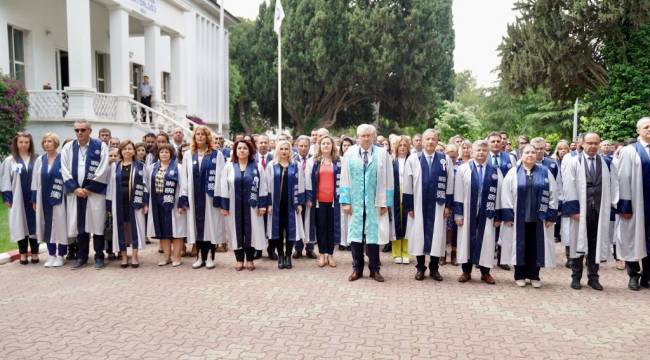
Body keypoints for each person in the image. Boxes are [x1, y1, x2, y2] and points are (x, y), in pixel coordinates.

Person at [562, 132, 616, 291]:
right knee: (577, 243)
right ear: (582, 144)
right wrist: (573, 210)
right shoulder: (574, 162)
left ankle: (593, 277)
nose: (593, 146)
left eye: (596, 143)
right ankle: (576, 277)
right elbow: (568, 186)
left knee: (595, 244)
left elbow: (614, 185)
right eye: (590, 143)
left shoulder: (606, 163)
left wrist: (611, 206)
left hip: (599, 211)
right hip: (580, 211)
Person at [500, 144, 558, 288]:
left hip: (538, 218)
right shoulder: (513, 172)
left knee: (536, 246)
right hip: (518, 219)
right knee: (520, 246)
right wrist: (508, 215)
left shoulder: (545, 172)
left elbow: (553, 194)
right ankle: (519, 274)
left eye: (533, 152)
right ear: (521, 154)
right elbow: (506, 194)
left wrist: (551, 215)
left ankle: (534, 275)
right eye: (527, 152)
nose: (530, 155)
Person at [341, 124, 393, 282]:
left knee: (373, 237)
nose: (365, 138)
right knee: (356, 237)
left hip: (375, 202)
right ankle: (357, 269)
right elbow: (344, 178)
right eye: (362, 135)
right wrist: (345, 201)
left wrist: (386, 202)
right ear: (357, 137)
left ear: (373, 137)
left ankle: (375, 269)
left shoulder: (382, 154)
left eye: (368, 135)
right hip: (356, 202)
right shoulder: (350, 153)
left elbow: (389, 179)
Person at [403, 129, 453, 281]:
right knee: (419, 235)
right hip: (418, 204)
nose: (430, 142)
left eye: (433, 139)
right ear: (422, 141)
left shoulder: (445, 159)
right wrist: (409, 206)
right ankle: (420, 268)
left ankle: (434, 268)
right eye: (427, 139)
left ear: (438, 141)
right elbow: (407, 184)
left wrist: (448, 206)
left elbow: (450, 183)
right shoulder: (413, 159)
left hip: (438, 204)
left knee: (437, 235)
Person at [61, 121, 110, 269]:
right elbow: (64, 168)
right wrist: (75, 188)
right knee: (80, 225)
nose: (79, 133)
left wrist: (89, 188)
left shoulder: (100, 146)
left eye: (83, 130)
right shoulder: (68, 147)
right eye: (77, 130)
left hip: (94, 193)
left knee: (97, 225)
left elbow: (103, 167)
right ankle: (81, 257)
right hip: (76, 194)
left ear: (89, 130)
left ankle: (99, 257)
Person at [453, 140, 503, 284]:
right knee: (466, 240)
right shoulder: (463, 169)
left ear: (488, 153)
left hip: (487, 212)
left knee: (486, 241)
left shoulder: (495, 170)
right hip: (468, 211)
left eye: (483, 150)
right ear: (472, 152)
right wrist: (458, 214)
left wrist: (498, 215)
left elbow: (500, 194)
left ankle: (485, 272)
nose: (481, 152)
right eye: (478, 150)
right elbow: (458, 192)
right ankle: (466, 271)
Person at [219, 139, 268, 271]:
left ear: (250, 150)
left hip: (252, 206)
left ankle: (250, 260)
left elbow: (263, 186)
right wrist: (224, 206)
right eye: (239, 148)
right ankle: (239, 260)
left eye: (245, 148)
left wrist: (262, 205)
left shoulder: (257, 167)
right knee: (236, 232)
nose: (242, 150)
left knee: (251, 232)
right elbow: (224, 187)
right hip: (234, 207)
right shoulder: (229, 166)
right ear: (235, 150)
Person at [182, 126, 225, 269]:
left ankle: (211, 257)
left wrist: (219, 196)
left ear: (207, 137)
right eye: (197, 134)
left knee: (210, 227)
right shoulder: (189, 154)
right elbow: (184, 176)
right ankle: (199, 256)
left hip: (209, 197)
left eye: (203, 134)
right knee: (197, 227)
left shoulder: (216, 154)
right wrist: (184, 196)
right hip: (194, 197)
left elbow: (221, 176)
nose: (200, 137)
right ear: (194, 137)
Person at [617, 117, 650, 290]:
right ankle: (633, 275)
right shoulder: (630, 151)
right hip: (638, 205)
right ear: (638, 130)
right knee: (632, 239)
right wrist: (625, 205)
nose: (649, 129)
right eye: (646, 127)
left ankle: (647, 276)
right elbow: (623, 178)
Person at [107, 140, 149, 268]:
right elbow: (110, 185)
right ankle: (124, 256)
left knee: (135, 228)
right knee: (122, 228)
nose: (127, 151)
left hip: (135, 202)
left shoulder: (140, 166)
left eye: (130, 148)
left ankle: (135, 256)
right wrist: (109, 205)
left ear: (134, 151)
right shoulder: (115, 166)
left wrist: (146, 203)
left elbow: (146, 185)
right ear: (120, 151)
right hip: (119, 202)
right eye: (124, 149)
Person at [146, 143, 187, 267]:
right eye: (162, 152)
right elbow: (147, 185)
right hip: (157, 202)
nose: (164, 154)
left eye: (167, 152)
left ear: (171, 154)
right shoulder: (152, 167)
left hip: (173, 203)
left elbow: (184, 186)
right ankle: (166, 256)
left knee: (176, 230)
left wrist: (181, 203)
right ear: (158, 154)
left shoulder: (178, 167)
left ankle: (177, 257)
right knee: (162, 231)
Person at [266, 140, 305, 269]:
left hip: (291, 204)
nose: (284, 151)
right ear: (277, 150)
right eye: (281, 149)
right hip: (276, 204)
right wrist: (268, 204)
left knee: (290, 231)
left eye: (286, 149)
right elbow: (267, 186)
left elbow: (301, 185)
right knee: (277, 231)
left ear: (290, 151)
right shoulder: (272, 165)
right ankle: (280, 256)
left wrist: (300, 202)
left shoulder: (296, 166)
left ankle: (288, 256)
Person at [32, 133, 68, 267]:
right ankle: (51, 254)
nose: (47, 144)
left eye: (50, 141)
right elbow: (35, 182)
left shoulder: (63, 159)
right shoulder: (40, 160)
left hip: (59, 197)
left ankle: (61, 255)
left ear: (56, 143)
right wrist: (34, 199)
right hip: (43, 198)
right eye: (45, 141)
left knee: (60, 226)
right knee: (47, 226)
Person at [2, 132, 38, 264]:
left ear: (30, 144)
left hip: (34, 199)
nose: (23, 145)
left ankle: (34, 252)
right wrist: (7, 197)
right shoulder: (9, 160)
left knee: (35, 226)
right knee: (19, 225)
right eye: (21, 142)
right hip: (18, 199)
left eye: (26, 142)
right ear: (16, 144)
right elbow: (6, 179)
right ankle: (23, 254)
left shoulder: (37, 159)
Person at [306, 135, 342, 268]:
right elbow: (309, 181)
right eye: (323, 143)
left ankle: (330, 255)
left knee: (331, 228)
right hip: (319, 201)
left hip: (333, 201)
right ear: (319, 146)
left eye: (328, 143)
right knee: (321, 228)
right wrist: (310, 198)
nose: (326, 145)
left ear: (332, 145)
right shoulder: (313, 161)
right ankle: (322, 254)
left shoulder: (338, 161)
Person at [487, 131, 517, 271]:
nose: (495, 144)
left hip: (505, 197)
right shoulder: (484, 156)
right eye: (492, 141)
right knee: (487, 226)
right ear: (488, 142)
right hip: (488, 196)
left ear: (502, 142)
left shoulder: (510, 158)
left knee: (504, 228)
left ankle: (502, 259)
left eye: (498, 141)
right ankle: (484, 257)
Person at [293, 135, 316, 260]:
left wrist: (311, 198)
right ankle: (298, 249)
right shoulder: (292, 160)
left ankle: (310, 249)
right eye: (300, 146)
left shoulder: (314, 161)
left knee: (310, 223)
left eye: (305, 146)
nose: (303, 148)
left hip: (311, 197)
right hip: (297, 196)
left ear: (309, 147)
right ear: (297, 146)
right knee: (298, 222)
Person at [391, 136, 411, 264]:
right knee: (396, 223)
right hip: (395, 195)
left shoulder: (412, 161)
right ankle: (396, 253)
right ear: (396, 147)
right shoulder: (392, 162)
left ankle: (406, 252)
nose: (402, 148)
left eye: (405, 145)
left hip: (408, 194)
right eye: (400, 145)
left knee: (408, 223)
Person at [256, 134, 276, 260]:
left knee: (272, 224)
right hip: (256, 197)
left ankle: (271, 249)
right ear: (257, 144)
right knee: (258, 225)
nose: (263, 144)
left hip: (272, 197)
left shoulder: (274, 158)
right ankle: (257, 250)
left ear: (269, 144)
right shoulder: (251, 158)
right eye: (261, 142)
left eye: (265, 142)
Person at [338, 137, 354, 251]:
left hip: (351, 191)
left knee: (350, 216)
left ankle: (350, 241)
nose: (346, 147)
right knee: (341, 218)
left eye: (348, 145)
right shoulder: (338, 159)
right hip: (340, 191)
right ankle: (342, 241)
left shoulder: (354, 158)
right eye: (344, 145)